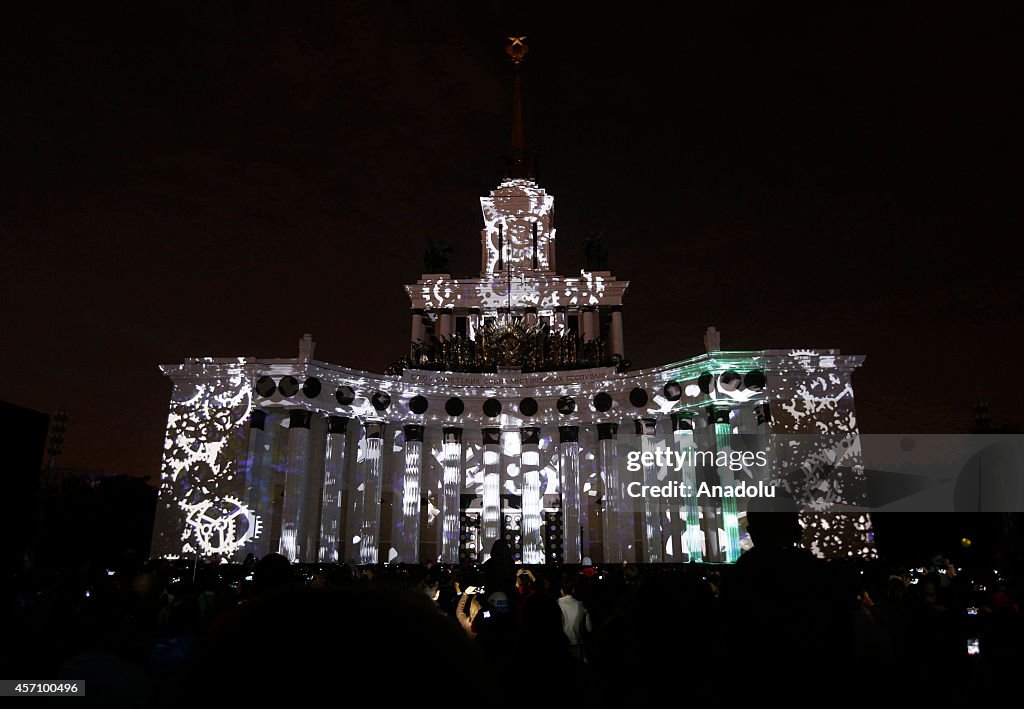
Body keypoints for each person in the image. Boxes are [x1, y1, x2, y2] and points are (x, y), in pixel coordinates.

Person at [557, 579, 592, 661]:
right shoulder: (581, 605)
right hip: (578, 643)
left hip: (562, 644)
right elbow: (590, 628)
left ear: (561, 591)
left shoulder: (555, 604)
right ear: (573, 590)